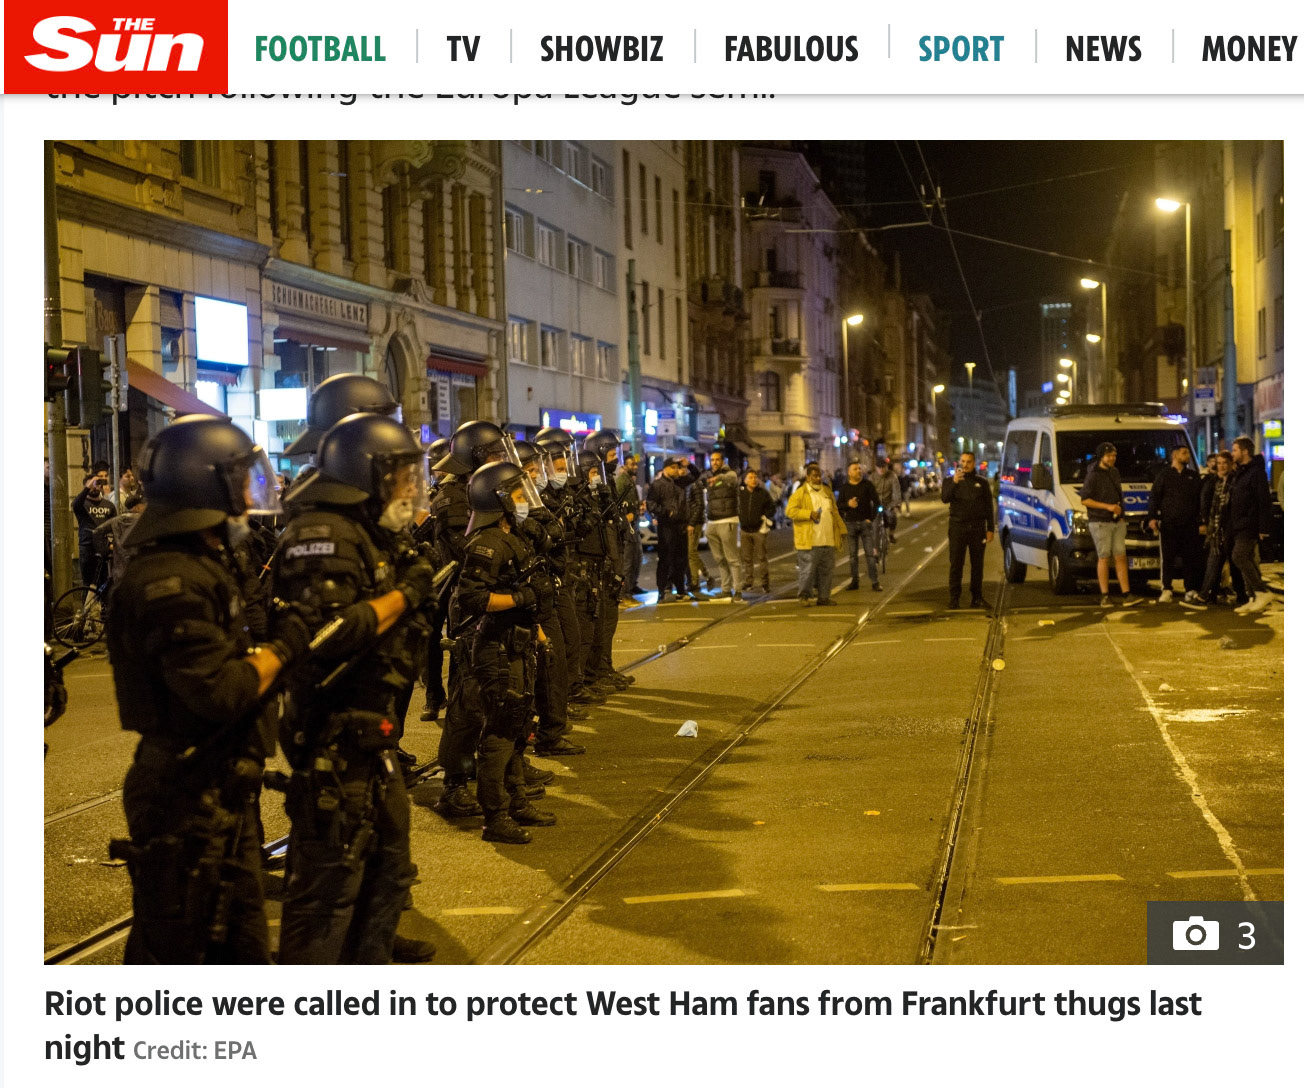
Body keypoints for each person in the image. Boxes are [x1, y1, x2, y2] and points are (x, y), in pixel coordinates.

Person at [106, 415, 299, 963]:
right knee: (177, 957)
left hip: (218, 788)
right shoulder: (169, 579)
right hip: (182, 797)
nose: (249, 494)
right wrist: (285, 649)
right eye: (240, 481)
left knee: (239, 953)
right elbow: (219, 690)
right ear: (203, 485)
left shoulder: (202, 561)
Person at [270, 412, 437, 963]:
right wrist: (405, 597)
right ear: (364, 474)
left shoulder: (368, 528)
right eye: (400, 476)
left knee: (388, 861)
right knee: (329, 880)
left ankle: (372, 954)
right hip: (333, 732)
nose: (410, 488)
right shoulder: (323, 534)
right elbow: (328, 633)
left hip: (370, 726)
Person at [457, 461, 557, 843]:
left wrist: (538, 632)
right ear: (496, 500)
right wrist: (519, 597)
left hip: (519, 642)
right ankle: (495, 817)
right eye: (517, 495)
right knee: (499, 733)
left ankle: (517, 803)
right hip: (496, 649)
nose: (523, 500)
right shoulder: (487, 543)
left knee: (518, 729)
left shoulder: (511, 535)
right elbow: (472, 598)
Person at [431, 419, 519, 817]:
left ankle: (502, 774)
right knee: (467, 700)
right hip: (469, 608)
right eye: (496, 454)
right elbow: (468, 551)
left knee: (500, 694)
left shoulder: (477, 490)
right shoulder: (455, 498)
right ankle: (453, 783)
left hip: (491, 602)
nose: (502, 461)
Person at [1079, 441, 1142, 607]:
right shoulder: (1093, 475)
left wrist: (1121, 513)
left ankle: (1126, 593)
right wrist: (1108, 507)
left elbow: (1118, 493)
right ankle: (1105, 595)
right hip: (1100, 521)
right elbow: (1085, 499)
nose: (1113, 458)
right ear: (1101, 457)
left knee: (1121, 556)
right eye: (1109, 456)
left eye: (1114, 455)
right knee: (1104, 557)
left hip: (1116, 521)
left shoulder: (1114, 472)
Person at [1181, 450, 1245, 610]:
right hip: (1216, 530)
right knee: (1213, 563)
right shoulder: (1213, 481)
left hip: (1230, 530)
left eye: (1225, 463)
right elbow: (1207, 504)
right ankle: (1206, 595)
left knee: (1235, 564)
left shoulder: (1235, 481)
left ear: (1231, 464)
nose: (1222, 466)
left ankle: (1241, 596)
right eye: (1219, 463)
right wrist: (1205, 523)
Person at [1147, 445, 1204, 603]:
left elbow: (1200, 500)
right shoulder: (1164, 475)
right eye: (1184, 453)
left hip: (1190, 525)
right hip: (1169, 525)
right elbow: (1154, 497)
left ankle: (1190, 589)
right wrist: (1152, 518)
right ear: (1175, 455)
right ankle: (1166, 588)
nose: (1187, 456)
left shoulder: (1193, 476)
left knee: (1190, 558)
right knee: (1168, 558)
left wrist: (1201, 520)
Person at [1226, 436, 1275, 614]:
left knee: (1239, 556)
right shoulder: (1242, 471)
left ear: (1245, 451)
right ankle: (1253, 596)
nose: (1233, 454)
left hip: (1250, 524)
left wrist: (1263, 528)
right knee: (1246, 559)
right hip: (1239, 524)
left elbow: (1263, 501)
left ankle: (1262, 591)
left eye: (1235, 450)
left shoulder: (1256, 472)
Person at [786, 462, 846, 606]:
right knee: (807, 572)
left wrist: (842, 529)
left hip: (828, 539)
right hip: (809, 540)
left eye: (819, 475)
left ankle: (824, 597)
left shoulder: (827, 491)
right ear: (807, 477)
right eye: (814, 476)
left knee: (827, 571)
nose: (818, 478)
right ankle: (804, 596)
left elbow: (835, 512)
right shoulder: (800, 493)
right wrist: (808, 514)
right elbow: (790, 511)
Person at [941, 452, 995, 609]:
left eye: (969, 462)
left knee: (977, 565)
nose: (965, 464)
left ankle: (976, 597)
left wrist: (990, 528)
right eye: (963, 461)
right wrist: (954, 482)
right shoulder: (950, 481)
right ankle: (954, 598)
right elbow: (945, 498)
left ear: (974, 463)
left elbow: (988, 507)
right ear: (959, 462)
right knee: (956, 564)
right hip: (958, 528)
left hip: (977, 529)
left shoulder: (982, 483)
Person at [646, 458, 692, 602]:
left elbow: (695, 476)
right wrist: (665, 512)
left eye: (677, 467)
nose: (675, 470)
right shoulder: (658, 485)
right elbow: (651, 504)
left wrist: (688, 465)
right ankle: (662, 590)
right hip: (666, 526)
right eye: (672, 467)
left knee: (681, 560)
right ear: (665, 468)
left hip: (681, 526)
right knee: (665, 559)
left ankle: (680, 591)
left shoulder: (681, 482)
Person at [701, 450, 744, 600]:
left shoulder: (728, 473)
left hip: (727, 520)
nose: (714, 462)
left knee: (732, 558)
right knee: (719, 558)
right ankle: (726, 589)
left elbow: (731, 478)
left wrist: (718, 477)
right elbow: (697, 482)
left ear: (722, 461)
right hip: (712, 522)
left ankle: (738, 589)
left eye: (717, 460)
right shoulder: (707, 475)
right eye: (712, 460)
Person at [837, 460, 885, 591]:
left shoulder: (867, 485)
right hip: (851, 523)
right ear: (849, 473)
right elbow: (838, 505)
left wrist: (871, 518)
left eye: (859, 469)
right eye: (855, 469)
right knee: (853, 556)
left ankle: (875, 581)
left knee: (870, 554)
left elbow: (877, 503)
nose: (859, 471)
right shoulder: (845, 488)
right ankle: (854, 581)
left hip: (865, 523)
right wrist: (848, 504)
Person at [72, 469, 116, 587]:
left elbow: (115, 527)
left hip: (104, 549)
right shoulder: (82, 504)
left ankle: (102, 605)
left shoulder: (109, 505)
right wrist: (87, 487)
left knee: (105, 584)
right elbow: (75, 504)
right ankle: (87, 606)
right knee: (88, 584)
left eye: (96, 485)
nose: (94, 488)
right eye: (92, 485)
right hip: (87, 548)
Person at [738, 468, 776, 592]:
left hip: (759, 530)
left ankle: (765, 583)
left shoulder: (762, 493)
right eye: (750, 477)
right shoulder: (741, 494)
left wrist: (764, 517)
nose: (753, 480)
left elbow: (772, 507)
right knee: (747, 558)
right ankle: (748, 582)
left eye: (755, 477)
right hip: (744, 530)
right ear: (745, 480)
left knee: (761, 558)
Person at [613, 453, 645, 596]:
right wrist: (625, 517)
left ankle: (632, 587)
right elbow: (617, 503)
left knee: (636, 559)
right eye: (632, 464)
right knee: (628, 562)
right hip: (628, 527)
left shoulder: (630, 481)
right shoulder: (622, 482)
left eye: (636, 464)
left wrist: (639, 508)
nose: (635, 467)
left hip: (634, 525)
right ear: (625, 466)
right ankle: (624, 594)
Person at [683, 461, 714, 591]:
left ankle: (703, 577)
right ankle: (695, 581)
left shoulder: (695, 485)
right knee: (690, 553)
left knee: (691, 552)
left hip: (694, 522)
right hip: (690, 521)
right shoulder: (686, 485)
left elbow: (700, 505)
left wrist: (691, 523)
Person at [872, 458, 902, 544]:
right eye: (879, 467)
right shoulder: (872, 477)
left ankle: (891, 534)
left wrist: (896, 505)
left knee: (892, 517)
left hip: (889, 502)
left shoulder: (892, 476)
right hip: (876, 503)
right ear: (876, 468)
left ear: (887, 467)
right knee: (874, 522)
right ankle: (875, 542)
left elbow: (896, 491)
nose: (881, 469)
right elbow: (868, 491)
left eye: (883, 467)